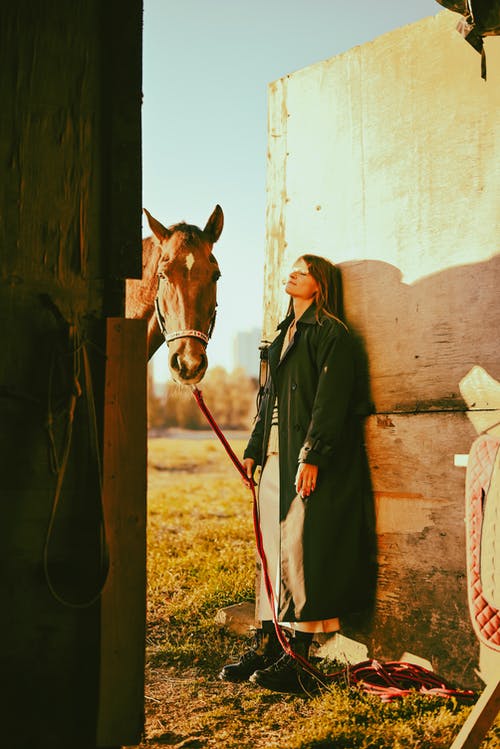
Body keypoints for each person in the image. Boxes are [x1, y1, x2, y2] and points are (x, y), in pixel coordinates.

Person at [219, 254, 376, 693]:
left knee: (304, 556)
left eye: (302, 272)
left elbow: (331, 402)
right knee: (273, 548)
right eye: (291, 269)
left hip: (305, 459)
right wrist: (253, 449)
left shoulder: (334, 337)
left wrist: (313, 455)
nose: (292, 275)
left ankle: (300, 660)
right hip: (274, 458)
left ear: (320, 285)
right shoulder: (281, 335)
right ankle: (270, 643)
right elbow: (266, 399)